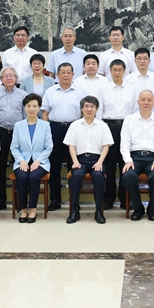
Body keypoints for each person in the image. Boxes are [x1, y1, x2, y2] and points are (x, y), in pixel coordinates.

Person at [41, 63, 84, 211]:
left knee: (74, 166)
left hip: (74, 129)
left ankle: (74, 200)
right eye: (63, 72)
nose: (66, 75)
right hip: (55, 129)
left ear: (73, 74)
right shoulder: (50, 91)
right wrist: (47, 132)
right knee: (54, 166)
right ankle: (55, 199)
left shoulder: (80, 91)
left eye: (68, 72)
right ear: (57, 75)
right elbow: (45, 113)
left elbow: (84, 113)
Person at [64, 96, 113, 224]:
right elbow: (71, 145)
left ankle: (99, 211)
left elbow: (106, 146)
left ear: (97, 109)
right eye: (86, 106)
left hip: (97, 159)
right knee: (76, 175)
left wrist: (100, 162)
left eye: (92, 107)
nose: (89, 109)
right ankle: (74, 210)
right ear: (81, 109)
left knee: (98, 176)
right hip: (79, 159)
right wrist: (75, 161)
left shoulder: (103, 126)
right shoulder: (75, 125)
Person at [120, 90, 154, 221]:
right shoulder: (129, 120)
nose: (146, 102)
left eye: (149, 100)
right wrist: (128, 160)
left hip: (153, 158)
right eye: (143, 100)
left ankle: (152, 209)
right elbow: (124, 144)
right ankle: (138, 208)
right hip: (134, 158)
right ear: (138, 102)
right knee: (127, 176)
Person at [99, 59, 136, 209]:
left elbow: (135, 111)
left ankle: (124, 198)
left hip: (127, 127)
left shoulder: (132, 89)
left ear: (124, 71)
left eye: (120, 70)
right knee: (109, 164)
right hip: (108, 126)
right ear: (110, 71)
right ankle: (108, 198)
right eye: (114, 70)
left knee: (124, 163)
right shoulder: (103, 89)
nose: (117, 72)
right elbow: (99, 112)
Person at [11, 93, 52, 223]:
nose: (31, 109)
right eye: (28, 106)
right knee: (22, 177)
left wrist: (38, 161)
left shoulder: (45, 125)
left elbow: (49, 147)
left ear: (39, 108)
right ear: (24, 107)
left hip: (41, 161)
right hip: (22, 161)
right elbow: (14, 147)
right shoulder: (18, 125)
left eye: (35, 106)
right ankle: (23, 209)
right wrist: (21, 161)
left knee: (34, 177)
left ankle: (33, 209)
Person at [0, 67, 25, 212]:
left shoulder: (23, 95)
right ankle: (1, 199)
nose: (9, 78)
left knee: (20, 166)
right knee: (0, 167)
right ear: (1, 79)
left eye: (11, 75)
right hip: (1, 132)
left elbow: (26, 117)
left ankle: (21, 201)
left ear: (16, 78)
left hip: (18, 133)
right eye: (6, 76)